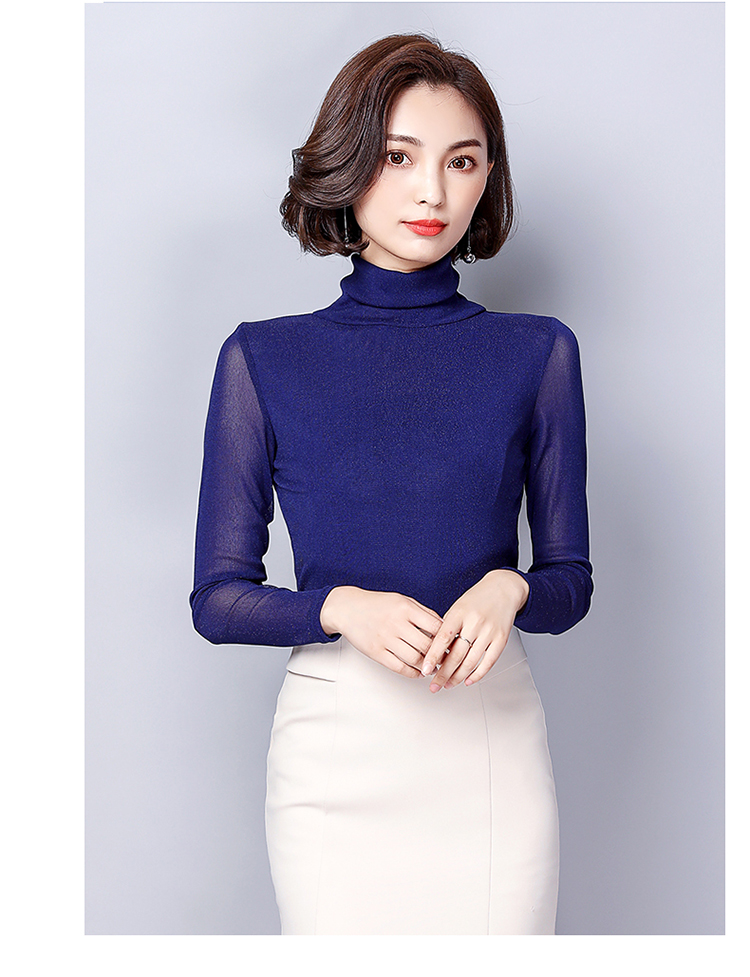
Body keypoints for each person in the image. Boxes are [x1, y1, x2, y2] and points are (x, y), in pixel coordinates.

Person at [190, 33, 592, 935]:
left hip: (487, 741)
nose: (432, 193)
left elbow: (570, 582)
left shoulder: (537, 353)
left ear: (488, 178)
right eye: (399, 157)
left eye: (462, 161)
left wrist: (509, 586)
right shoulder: (263, 358)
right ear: (347, 162)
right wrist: (340, 608)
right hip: (336, 751)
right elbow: (217, 599)